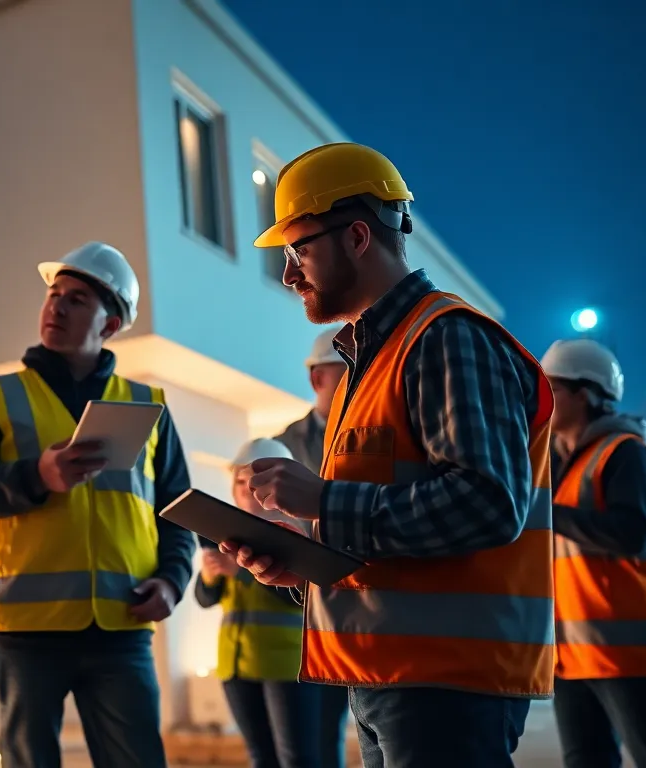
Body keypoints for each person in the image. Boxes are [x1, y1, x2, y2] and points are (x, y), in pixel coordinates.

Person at [221, 142, 555, 768]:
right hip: (388, 676)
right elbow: (392, 527)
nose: (289, 274)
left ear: (354, 237)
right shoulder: (364, 369)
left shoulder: (446, 337)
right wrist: (308, 565)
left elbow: (487, 504)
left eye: (299, 249)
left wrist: (321, 500)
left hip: (448, 682)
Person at [0, 241, 197, 768]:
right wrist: (37, 476)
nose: (55, 306)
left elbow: (179, 511)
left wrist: (172, 581)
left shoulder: (147, 407)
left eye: (76, 299)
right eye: (54, 294)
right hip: (22, 634)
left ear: (110, 324)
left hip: (121, 629)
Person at [540, 338, 646, 768]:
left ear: (587, 394)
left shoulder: (627, 454)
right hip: (574, 654)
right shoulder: (562, 461)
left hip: (631, 654)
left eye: (553, 389)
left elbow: (628, 533)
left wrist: (545, 511)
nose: (542, 400)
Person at [196, 438, 322, 768]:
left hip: (287, 665)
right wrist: (212, 576)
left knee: (298, 758)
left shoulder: (299, 530)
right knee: (260, 758)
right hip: (236, 665)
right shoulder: (224, 529)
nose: (246, 489)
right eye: (240, 480)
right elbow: (205, 599)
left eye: (255, 481)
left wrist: (238, 572)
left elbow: (300, 596)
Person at [271, 330, 349, 768]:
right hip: (300, 608)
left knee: (346, 732)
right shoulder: (283, 445)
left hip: (360, 601)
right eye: (346, 373)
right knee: (310, 747)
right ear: (318, 378)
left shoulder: (373, 431)